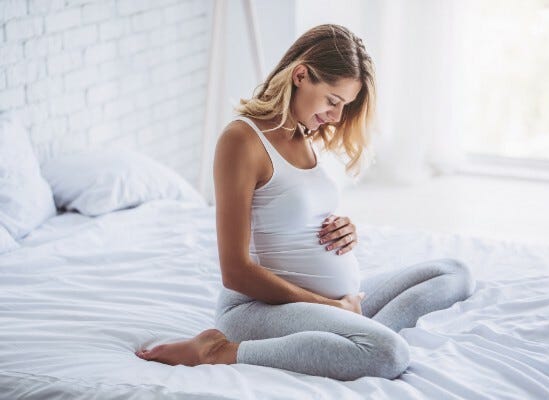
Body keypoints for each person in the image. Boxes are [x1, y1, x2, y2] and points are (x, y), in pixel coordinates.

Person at [135, 24, 475, 381]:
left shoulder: (303, 133)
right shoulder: (242, 140)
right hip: (258, 309)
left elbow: (294, 213)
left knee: (453, 273)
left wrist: (344, 230)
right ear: (301, 75)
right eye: (333, 100)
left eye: (344, 106)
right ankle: (221, 351)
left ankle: (346, 332)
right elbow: (234, 270)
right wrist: (330, 307)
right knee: (388, 354)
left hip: (331, 303)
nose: (337, 117)